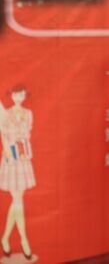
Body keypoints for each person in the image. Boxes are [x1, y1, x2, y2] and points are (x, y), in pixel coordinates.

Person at [0, 85, 35, 260]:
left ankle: (5, 238)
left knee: (17, 199)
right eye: (16, 94)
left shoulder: (28, 113)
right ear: (11, 95)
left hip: (23, 156)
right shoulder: (5, 113)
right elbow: (3, 135)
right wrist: (7, 150)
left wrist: (23, 145)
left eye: (22, 94)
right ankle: (24, 240)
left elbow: (27, 134)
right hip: (10, 157)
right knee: (18, 199)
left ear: (25, 96)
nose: (19, 97)